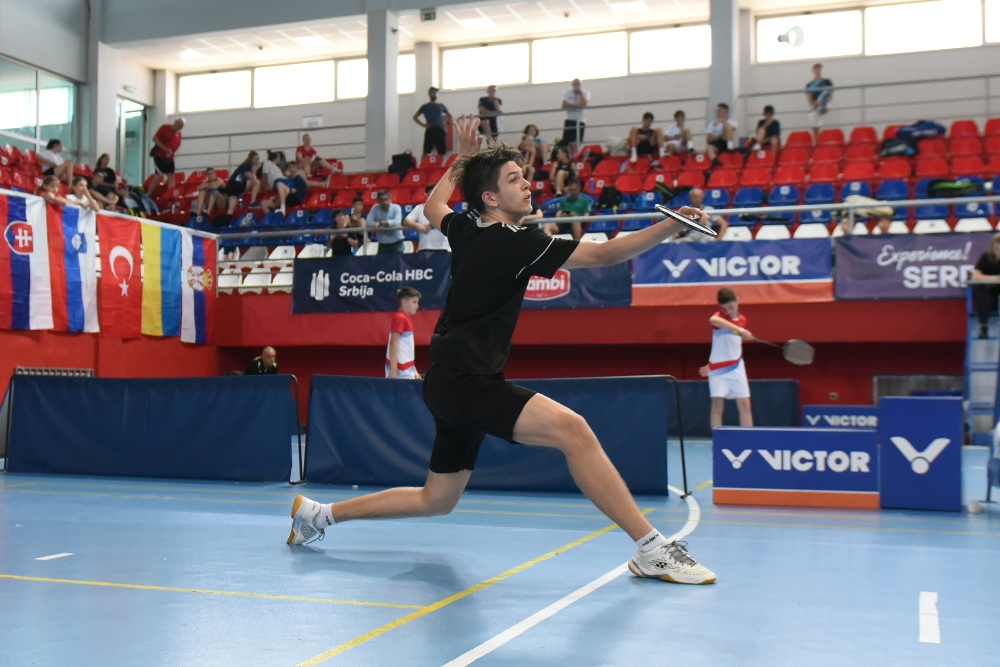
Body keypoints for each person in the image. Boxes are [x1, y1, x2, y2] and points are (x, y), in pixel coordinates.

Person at [287, 114, 717, 586]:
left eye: (524, 176)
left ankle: (317, 514)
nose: (528, 184)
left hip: (451, 381)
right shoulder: (516, 242)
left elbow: (432, 206)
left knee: (436, 500)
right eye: (514, 179)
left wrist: (462, 160)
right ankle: (652, 549)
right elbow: (605, 254)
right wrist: (670, 226)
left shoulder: (467, 229)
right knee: (573, 430)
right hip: (465, 383)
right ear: (491, 198)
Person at [699, 287, 754, 430]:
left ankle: (748, 439)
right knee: (717, 405)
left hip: (737, 367)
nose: (728, 311)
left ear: (737, 301)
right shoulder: (720, 318)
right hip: (718, 369)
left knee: (745, 405)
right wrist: (740, 330)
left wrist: (742, 333)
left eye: (731, 307)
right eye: (724, 308)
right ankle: (717, 440)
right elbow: (713, 320)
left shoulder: (743, 320)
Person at [386, 287, 422, 380]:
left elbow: (406, 349)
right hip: (400, 371)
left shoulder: (405, 318)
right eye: (414, 302)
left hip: (406, 369)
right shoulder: (400, 318)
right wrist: (393, 369)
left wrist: (413, 369)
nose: (417, 306)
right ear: (404, 302)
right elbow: (393, 343)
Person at [404, 185, 451, 251]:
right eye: (432, 193)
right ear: (426, 195)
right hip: (424, 247)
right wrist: (418, 225)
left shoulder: (444, 207)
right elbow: (406, 220)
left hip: (442, 248)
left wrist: (429, 225)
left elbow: (446, 219)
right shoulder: (419, 207)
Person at [972, 232, 1000, 339]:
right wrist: (996, 278)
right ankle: (983, 327)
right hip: (987, 291)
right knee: (986, 300)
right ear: (993, 247)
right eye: (997, 248)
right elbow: (976, 276)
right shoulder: (986, 257)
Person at [150, 117, 185, 198]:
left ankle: (171, 195)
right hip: (160, 155)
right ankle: (148, 193)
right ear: (175, 123)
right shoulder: (165, 128)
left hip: (170, 158)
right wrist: (165, 149)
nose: (180, 128)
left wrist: (174, 153)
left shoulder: (179, 134)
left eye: (181, 127)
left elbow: (177, 147)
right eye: (179, 126)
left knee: (171, 176)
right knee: (159, 175)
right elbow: (155, 139)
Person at [414, 87, 452, 158]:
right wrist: (423, 125)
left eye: (435, 93)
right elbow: (415, 117)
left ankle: (439, 164)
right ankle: (422, 164)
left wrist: (446, 123)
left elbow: (450, 116)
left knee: (441, 152)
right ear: (429, 94)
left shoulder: (441, 106)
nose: (434, 94)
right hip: (430, 131)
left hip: (440, 130)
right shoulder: (425, 107)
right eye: (433, 93)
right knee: (426, 151)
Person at [367, 189, 404, 254]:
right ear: (378, 201)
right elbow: (368, 222)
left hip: (397, 245)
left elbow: (397, 222)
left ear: (390, 199)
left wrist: (380, 223)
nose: (384, 202)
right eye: (381, 200)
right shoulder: (375, 208)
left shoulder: (396, 207)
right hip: (382, 246)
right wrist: (385, 227)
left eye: (386, 199)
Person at [224, 151, 261, 216]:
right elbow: (250, 176)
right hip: (237, 185)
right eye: (256, 159)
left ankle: (228, 219)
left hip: (231, 187)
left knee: (231, 208)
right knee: (257, 182)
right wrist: (256, 168)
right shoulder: (247, 165)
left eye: (258, 159)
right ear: (251, 159)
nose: (257, 161)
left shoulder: (243, 165)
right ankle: (252, 202)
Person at [806, 63, 833, 143]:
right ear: (813, 71)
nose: (818, 71)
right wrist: (816, 103)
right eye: (816, 69)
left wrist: (824, 101)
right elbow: (810, 99)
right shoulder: (809, 85)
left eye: (819, 69)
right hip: (816, 106)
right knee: (812, 116)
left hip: (826, 103)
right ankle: (816, 140)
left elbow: (830, 95)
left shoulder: (827, 82)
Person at [560, 79, 590, 150]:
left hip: (581, 119)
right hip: (569, 119)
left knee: (579, 140)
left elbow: (583, 103)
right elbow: (564, 105)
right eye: (575, 84)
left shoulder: (586, 93)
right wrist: (576, 105)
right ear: (572, 85)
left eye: (578, 84)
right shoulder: (567, 92)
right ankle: (566, 153)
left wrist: (580, 93)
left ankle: (575, 153)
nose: (576, 86)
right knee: (567, 140)